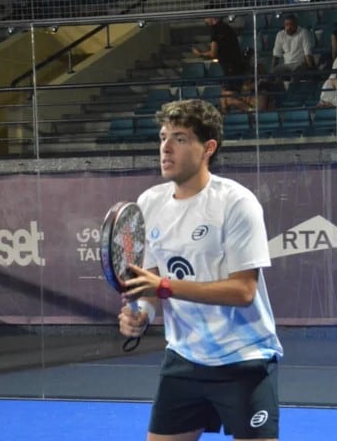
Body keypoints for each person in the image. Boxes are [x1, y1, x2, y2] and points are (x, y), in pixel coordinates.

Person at [118, 98, 283, 441]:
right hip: (184, 359)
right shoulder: (149, 202)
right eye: (162, 137)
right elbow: (148, 283)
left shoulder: (236, 202)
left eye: (179, 138)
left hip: (244, 359)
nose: (165, 147)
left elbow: (243, 291)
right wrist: (143, 314)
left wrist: (165, 288)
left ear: (208, 147)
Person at [191, 15, 247, 113]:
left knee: (229, 99)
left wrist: (199, 54)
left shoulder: (216, 30)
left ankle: (254, 112)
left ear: (212, 16)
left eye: (206, 16)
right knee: (223, 100)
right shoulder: (226, 28)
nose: (205, 19)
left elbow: (213, 53)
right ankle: (223, 122)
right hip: (233, 67)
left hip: (232, 69)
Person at [270, 14, 316, 86]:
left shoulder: (303, 32)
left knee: (296, 75)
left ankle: (293, 95)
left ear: (296, 25)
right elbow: (276, 55)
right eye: (286, 25)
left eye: (291, 25)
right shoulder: (280, 35)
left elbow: (307, 54)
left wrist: (311, 70)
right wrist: (272, 72)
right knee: (274, 74)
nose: (289, 27)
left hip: (300, 63)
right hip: (286, 65)